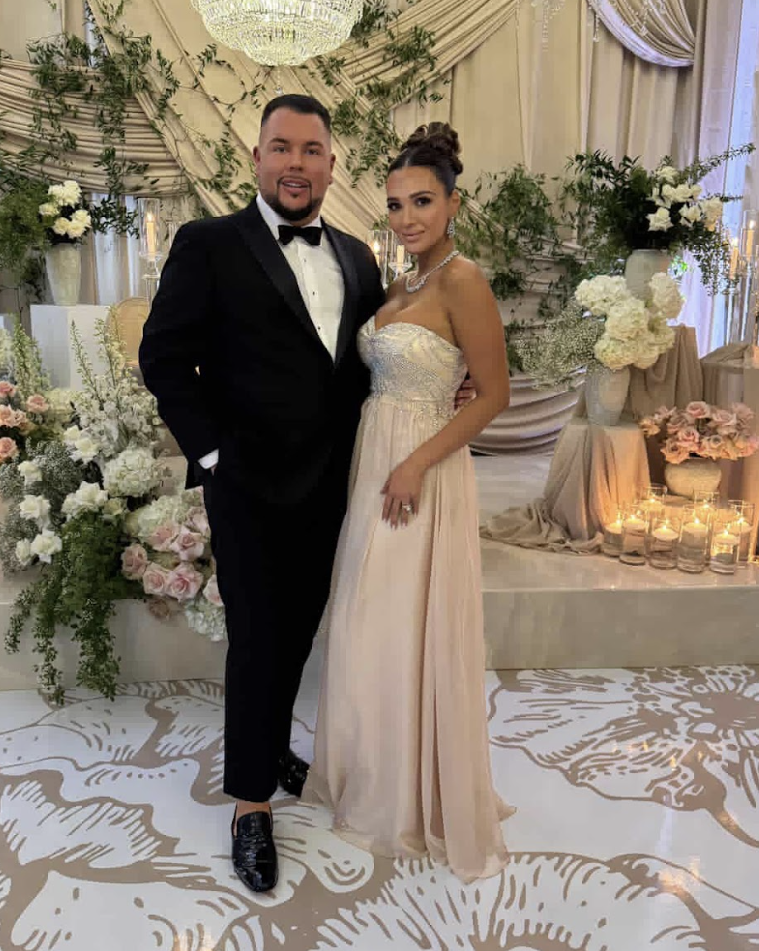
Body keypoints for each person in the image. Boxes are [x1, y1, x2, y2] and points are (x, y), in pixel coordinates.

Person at [139, 94, 386, 893]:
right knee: (256, 638)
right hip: (245, 482)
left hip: (334, 481)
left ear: (331, 165)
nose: (296, 164)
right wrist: (212, 454)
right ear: (255, 158)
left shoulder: (357, 255)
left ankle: (271, 737)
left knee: (299, 630)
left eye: (311, 150)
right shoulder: (209, 243)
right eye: (281, 147)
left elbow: (373, 359)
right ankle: (251, 803)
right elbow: (164, 357)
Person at [305, 122, 514, 882]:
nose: (407, 218)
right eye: (394, 206)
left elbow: (493, 396)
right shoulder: (403, 284)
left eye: (422, 201)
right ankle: (367, 772)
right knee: (366, 616)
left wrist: (416, 464)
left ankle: (408, 795)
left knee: (401, 617)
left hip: (420, 472)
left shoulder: (464, 281)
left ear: (453, 203)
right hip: (376, 457)